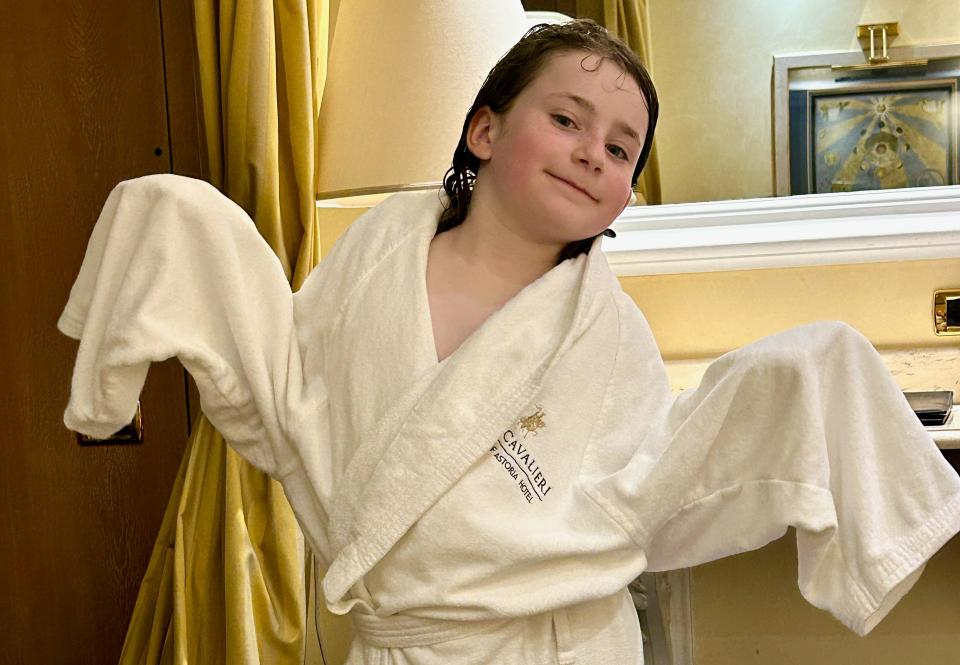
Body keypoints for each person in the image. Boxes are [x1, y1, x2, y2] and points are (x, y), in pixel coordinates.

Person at [59, 19, 960, 665]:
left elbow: (647, 479)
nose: (591, 154)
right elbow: (297, 380)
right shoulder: (380, 251)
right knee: (176, 205)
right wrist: (181, 236)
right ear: (484, 129)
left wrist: (787, 387)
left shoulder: (606, 336)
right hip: (392, 640)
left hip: (551, 645)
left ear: (626, 196)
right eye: (565, 120)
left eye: (620, 149)